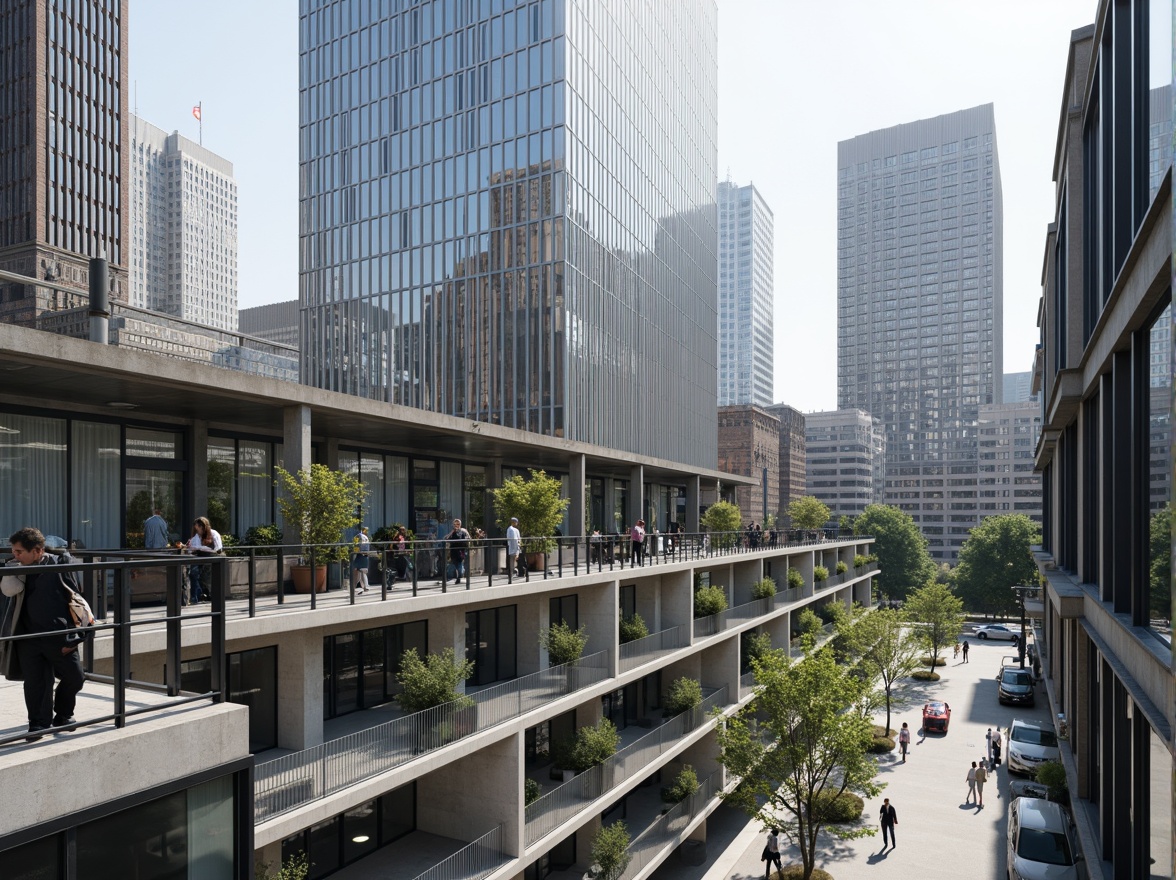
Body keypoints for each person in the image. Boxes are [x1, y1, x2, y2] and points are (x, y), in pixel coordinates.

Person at [3, 527, 87, 741]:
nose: (15, 555)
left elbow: (78, 601)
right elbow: (8, 592)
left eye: (20, 551)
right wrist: (13, 571)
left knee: (75, 677)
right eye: (14, 550)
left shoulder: (60, 566)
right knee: (36, 683)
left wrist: (78, 635)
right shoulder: (17, 569)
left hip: (59, 636)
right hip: (28, 637)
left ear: (38, 550)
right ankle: (38, 724)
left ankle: (63, 715)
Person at [187, 516, 223, 604]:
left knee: (206, 575)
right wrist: (189, 547)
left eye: (198, 528)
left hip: (212, 557)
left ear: (203, 527)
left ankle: (207, 595)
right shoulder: (197, 536)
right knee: (193, 573)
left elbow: (218, 549)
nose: (197, 531)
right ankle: (196, 597)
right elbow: (191, 549)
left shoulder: (213, 534)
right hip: (201, 556)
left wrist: (199, 547)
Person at [444, 518, 470, 583]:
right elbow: (446, 538)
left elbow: (468, 539)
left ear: (460, 525)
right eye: (455, 524)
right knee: (451, 567)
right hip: (453, 552)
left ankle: (459, 578)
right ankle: (448, 579)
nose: (456, 525)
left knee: (460, 567)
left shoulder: (463, 531)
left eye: (458, 524)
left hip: (460, 551)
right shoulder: (452, 532)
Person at [351, 526, 371, 593]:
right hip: (365, 555)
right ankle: (365, 586)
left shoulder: (359, 536)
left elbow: (356, 546)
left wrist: (355, 550)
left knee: (357, 571)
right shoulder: (366, 538)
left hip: (360, 555)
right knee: (362, 572)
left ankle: (353, 587)